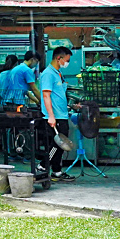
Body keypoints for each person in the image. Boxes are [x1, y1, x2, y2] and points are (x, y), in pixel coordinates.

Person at [39, 46, 77, 182]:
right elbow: (46, 95)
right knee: (58, 144)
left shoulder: (57, 73)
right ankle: (43, 166)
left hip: (62, 114)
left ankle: (57, 171)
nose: (67, 63)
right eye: (66, 60)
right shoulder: (48, 74)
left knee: (61, 144)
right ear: (58, 58)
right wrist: (51, 116)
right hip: (55, 117)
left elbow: (57, 96)